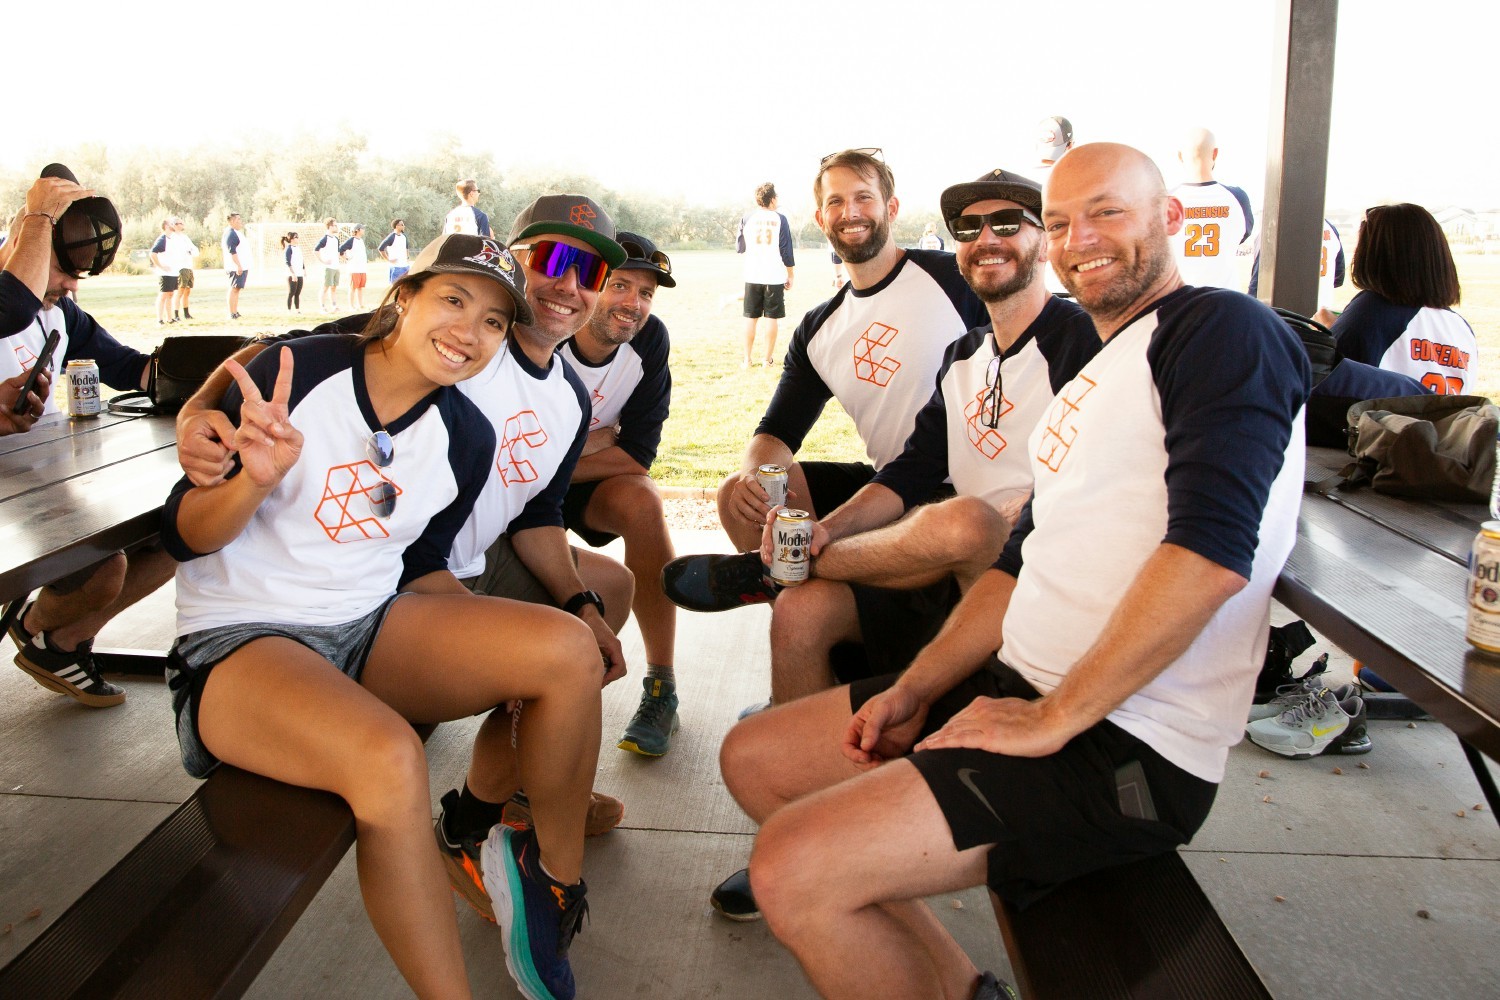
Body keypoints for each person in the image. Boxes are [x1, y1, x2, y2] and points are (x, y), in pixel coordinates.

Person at [714, 143, 1309, 1000]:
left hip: (1122, 741)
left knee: (790, 868)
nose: (1081, 237)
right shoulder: (1093, 378)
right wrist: (918, 688)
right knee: (755, 759)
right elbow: (1016, 566)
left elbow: (1212, 556)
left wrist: (1055, 715)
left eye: (1107, 211)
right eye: (1064, 221)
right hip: (1016, 684)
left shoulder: (1217, 329)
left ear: (1171, 219)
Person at [163, 232, 600, 1000]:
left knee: (568, 650)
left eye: (495, 321)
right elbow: (185, 534)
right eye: (454, 300)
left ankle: (548, 884)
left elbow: (419, 562)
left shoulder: (466, 436)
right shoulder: (300, 376)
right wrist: (253, 482)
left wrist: (491, 648)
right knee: (391, 757)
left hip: (369, 626)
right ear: (404, 297)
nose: (469, 331)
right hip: (242, 639)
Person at [715, 148, 987, 554]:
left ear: (891, 208)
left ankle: (797, 574)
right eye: (835, 202)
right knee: (733, 496)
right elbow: (777, 431)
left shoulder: (956, 278)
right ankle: (782, 582)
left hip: (969, 492)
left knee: (829, 570)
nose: (850, 212)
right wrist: (755, 476)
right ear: (821, 218)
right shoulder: (818, 328)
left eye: (863, 197)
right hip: (889, 487)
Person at [0, 165, 175, 709]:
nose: (70, 285)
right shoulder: (16, 303)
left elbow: (129, 365)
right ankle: (34, 626)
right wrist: (39, 216)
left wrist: (202, 374)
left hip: (42, 481)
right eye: (60, 268)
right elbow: (9, 309)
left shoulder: (60, 313)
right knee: (105, 565)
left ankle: (60, 642)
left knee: (177, 531)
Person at [554, 230, 683, 756]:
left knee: (643, 502)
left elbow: (636, 456)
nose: (634, 304)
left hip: (578, 479)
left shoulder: (649, 340)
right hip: (519, 485)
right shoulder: (549, 329)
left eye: (646, 292)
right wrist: (593, 440)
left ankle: (661, 685)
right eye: (620, 284)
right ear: (588, 283)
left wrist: (570, 451)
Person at [1331, 202, 1475, 394]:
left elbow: (1323, 379)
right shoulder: (1461, 327)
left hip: (1383, 423)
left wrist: (1328, 334)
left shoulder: (1370, 312)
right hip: (1441, 424)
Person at [1170, 126, 1254, 290]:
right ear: (1215, 153)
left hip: (1180, 303)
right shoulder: (1238, 198)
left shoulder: (1165, 200)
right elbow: (1242, 235)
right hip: (1225, 301)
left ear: (1180, 157)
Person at [737, 182, 795, 368]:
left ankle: (747, 360)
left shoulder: (747, 218)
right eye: (776, 196)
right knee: (772, 318)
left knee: (750, 318)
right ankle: (767, 360)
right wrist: (790, 274)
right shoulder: (780, 219)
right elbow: (786, 250)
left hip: (752, 274)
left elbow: (740, 247)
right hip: (774, 275)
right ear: (772, 198)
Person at [1247, 216, 1345, 323]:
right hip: (1323, 320)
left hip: (1286, 320)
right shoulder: (1331, 229)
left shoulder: (1274, 228)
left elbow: (1259, 284)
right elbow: (1338, 278)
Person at [1035, 116, 1073, 296]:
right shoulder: (1082, 182)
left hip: (1035, 290)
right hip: (1069, 285)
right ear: (1070, 145)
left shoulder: (1013, 184)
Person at [169, 217, 198, 320]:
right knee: (180, 291)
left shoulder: (185, 237)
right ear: (174, 225)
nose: (182, 225)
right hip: (180, 267)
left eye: (182, 223)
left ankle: (187, 313)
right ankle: (176, 314)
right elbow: (177, 252)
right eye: (179, 223)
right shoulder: (173, 237)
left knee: (187, 291)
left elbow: (194, 249)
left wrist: (191, 251)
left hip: (188, 266)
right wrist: (187, 252)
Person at [150, 219, 178, 325]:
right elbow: (153, 253)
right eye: (171, 224)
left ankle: (170, 318)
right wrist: (160, 267)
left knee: (170, 294)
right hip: (165, 273)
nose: (173, 225)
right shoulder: (162, 239)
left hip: (173, 272)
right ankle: (160, 319)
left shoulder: (171, 238)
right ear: (166, 226)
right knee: (163, 295)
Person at [221, 212, 249, 320]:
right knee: (233, 288)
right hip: (234, 267)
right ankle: (231, 313)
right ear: (232, 221)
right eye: (238, 220)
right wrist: (238, 265)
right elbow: (232, 251)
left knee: (237, 289)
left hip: (240, 265)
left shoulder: (236, 233)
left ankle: (235, 311)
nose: (240, 222)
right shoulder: (230, 233)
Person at [314, 218, 342, 313]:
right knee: (325, 287)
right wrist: (323, 261)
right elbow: (316, 250)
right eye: (335, 225)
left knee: (334, 288)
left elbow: (337, 251)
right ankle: (322, 307)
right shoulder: (325, 238)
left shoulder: (336, 239)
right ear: (330, 226)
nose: (336, 227)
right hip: (328, 267)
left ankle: (334, 306)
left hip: (336, 266)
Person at [341, 223, 369, 311]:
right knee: (353, 287)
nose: (363, 230)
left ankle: (361, 304)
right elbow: (341, 249)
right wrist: (345, 258)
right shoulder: (351, 240)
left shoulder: (361, 240)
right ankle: (351, 306)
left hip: (362, 268)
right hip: (354, 268)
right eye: (362, 229)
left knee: (360, 287)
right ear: (357, 230)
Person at [379, 218, 410, 283]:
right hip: (396, 267)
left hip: (405, 266)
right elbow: (381, 248)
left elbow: (406, 248)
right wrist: (388, 260)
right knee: (396, 287)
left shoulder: (404, 236)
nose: (403, 226)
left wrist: (407, 257)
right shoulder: (391, 237)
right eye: (402, 224)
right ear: (396, 226)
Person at [281, 231, 304, 312]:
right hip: (292, 274)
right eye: (296, 237)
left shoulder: (298, 248)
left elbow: (301, 260)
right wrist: (292, 273)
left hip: (300, 273)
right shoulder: (289, 249)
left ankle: (297, 309)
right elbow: (288, 262)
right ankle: (289, 310)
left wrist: (304, 270)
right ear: (291, 239)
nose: (297, 239)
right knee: (292, 293)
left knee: (298, 293)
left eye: (298, 237)